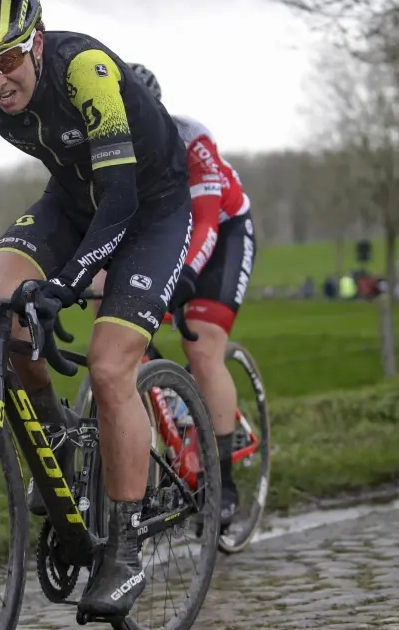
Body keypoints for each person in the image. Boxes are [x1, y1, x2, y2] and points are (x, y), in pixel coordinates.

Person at [0, 0, 193, 619]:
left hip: (150, 210)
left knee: (110, 367)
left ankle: (125, 549)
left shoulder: (84, 69)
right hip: (70, 201)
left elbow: (120, 197)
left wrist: (68, 282)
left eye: (6, 59)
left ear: (35, 41)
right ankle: (54, 430)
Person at [89, 62, 258, 531]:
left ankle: (223, 484)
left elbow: (205, 223)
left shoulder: (191, 140)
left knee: (201, 345)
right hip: (166, 235)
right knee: (112, 328)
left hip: (221, 234)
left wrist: (184, 280)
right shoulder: (106, 148)